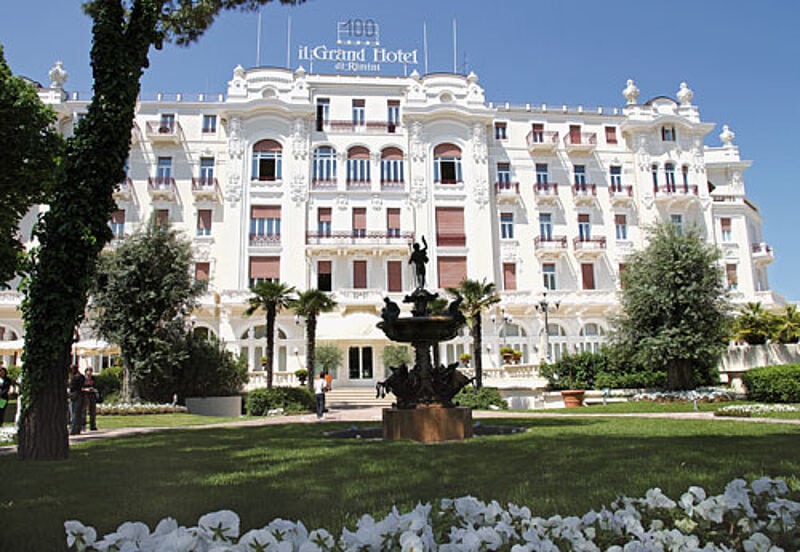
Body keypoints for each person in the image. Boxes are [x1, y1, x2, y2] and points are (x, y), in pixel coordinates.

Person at [68, 364, 85, 435]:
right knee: (78, 412)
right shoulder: (82, 377)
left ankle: (73, 429)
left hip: (74, 394)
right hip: (80, 394)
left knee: (73, 412)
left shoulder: (74, 377)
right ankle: (78, 429)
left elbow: (72, 386)